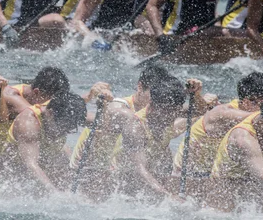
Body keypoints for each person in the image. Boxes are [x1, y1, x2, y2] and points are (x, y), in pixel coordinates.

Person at [70, 75, 210, 199]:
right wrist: (168, 197)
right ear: (152, 105)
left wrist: (196, 95)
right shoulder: (135, 126)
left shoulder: (172, 110)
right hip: (120, 185)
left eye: (174, 112)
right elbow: (140, 168)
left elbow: (200, 110)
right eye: (166, 112)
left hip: (149, 179)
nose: (170, 117)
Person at [0, 66, 107, 159]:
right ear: (37, 92)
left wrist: (91, 102)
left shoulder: (39, 99)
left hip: (9, 150)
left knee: (60, 144)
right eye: (52, 99)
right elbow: (48, 110)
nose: (54, 104)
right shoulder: (11, 96)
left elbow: (60, 109)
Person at [171, 72, 263, 178]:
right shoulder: (223, 113)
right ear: (248, 101)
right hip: (189, 176)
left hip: (216, 176)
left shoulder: (257, 122)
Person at [0, 91, 87, 192]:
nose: (62, 133)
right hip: (17, 179)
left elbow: (94, 121)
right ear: (49, 113)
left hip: (46, 167)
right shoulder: (29, 123)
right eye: (61, 128)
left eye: (68, 130)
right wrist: (57, 195)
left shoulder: (64, 115)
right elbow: (31, 165)